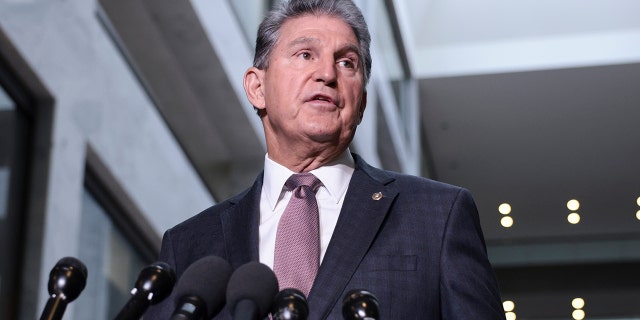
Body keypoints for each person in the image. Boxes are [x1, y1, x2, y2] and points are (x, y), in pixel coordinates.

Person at [145, 0, 505, 319]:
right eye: (305, 54)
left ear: (361, 104)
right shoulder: (189, 244)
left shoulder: (437, 215)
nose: (328, 74)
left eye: (347, 63)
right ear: (257, 88)